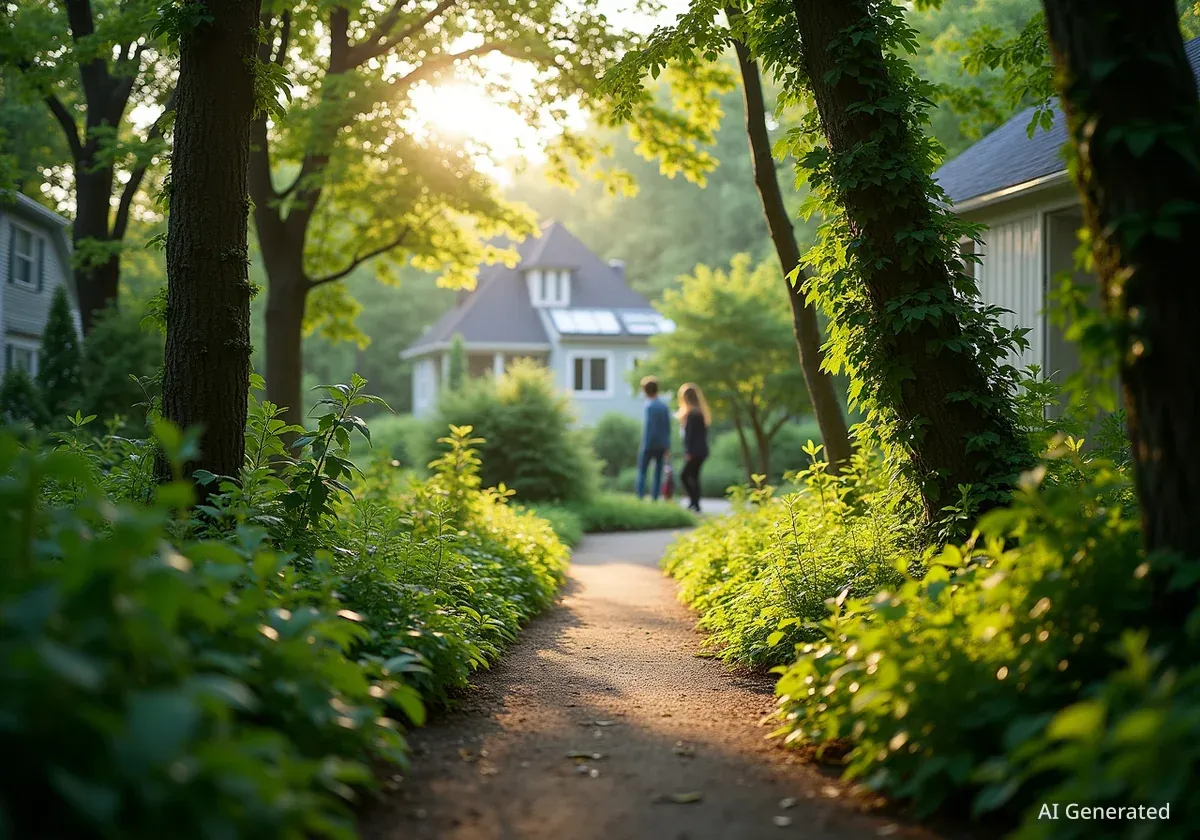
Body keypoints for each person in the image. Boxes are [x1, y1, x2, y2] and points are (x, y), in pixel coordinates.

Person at [676, 382, 710, 512]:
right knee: (694, 477)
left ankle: (694, 502)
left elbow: (690, 436)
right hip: (701, 451)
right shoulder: (700, 414)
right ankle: (695, 503)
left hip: (695, 451)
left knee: (684, 476)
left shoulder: (692, 414)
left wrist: (689, 451)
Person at [636, 376, 671, 501]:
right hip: (662, 445)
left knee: (642, 471)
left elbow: (649, 428)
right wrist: (667, 446)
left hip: (649, 444)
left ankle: (640, 498)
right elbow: (667, 428)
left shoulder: (649, 406)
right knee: (658, 473)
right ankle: (655, 498)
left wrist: (645, 445)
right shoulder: (663, 406)